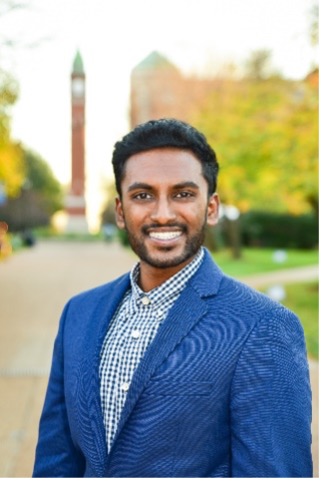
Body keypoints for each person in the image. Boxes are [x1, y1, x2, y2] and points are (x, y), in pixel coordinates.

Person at [33, 118, 312, 478]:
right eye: (142, 195)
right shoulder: (78, 314)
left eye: (182, 194)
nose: (162, 214)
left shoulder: (264, 327)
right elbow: (56, 461)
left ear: (211, 208)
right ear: (120, 211)